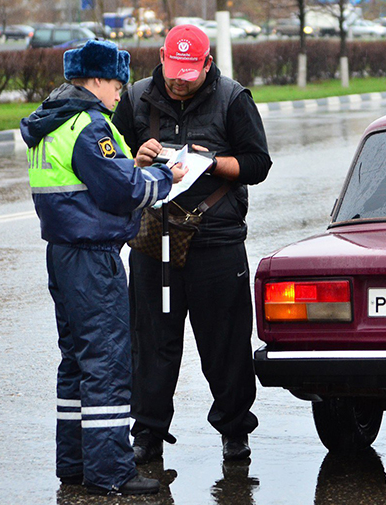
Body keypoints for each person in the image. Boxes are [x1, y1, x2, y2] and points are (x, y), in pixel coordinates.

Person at [20, 39, 186, 496]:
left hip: (62, 254)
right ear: (95, 80)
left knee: (75, 361)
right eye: (116, 83)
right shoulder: (90, 126)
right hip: (93, 258)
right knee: (107, 361)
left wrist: (132, 170)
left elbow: (87, 184)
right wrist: (162, 177)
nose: (120, 92)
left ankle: (74, 465)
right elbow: (123, 190)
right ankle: (111, 471)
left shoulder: (50, 121)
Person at [111, 24, 272, 463]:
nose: (179, 79)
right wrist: (136, 159)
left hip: (216, 241)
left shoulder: (233, 99)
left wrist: (213, 164)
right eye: (173, 68)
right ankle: (147, 432)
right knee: (151, 343)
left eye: (189, 71)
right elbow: (111, 160)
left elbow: (259, 163)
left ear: (207, 63)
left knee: (225, 344)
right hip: (153, 239)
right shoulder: (136, 97)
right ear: (161, 57)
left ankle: (235, 431)